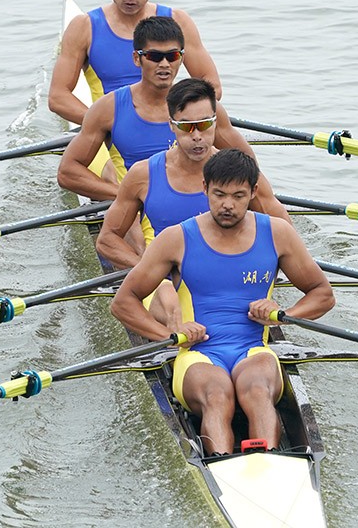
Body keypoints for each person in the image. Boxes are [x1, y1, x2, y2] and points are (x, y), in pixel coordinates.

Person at [110, 149, 335, 455]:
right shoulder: (176, 238)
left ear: (254, 192)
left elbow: (323, 294)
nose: (227, 205)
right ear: (205, 189)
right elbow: (123, 303)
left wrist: (283, 315)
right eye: (219, 194)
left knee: (257, 391)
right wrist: (168, 336)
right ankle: (220, 461)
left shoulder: (278, 233)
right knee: (217, 395)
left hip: (254, 350)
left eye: (239, 196)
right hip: (197, 353)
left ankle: (267, 460)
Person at [56, 17, 275, 206]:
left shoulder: (205, 108)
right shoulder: (107, 108)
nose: (164, 64)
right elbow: (68, 172)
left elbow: (248, 164)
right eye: (154, 56)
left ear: (181, 57)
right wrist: (127, 194)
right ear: (136, 58)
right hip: (139, 208)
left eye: (172, 56)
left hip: (204, 202)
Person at [96, 77, 290, 270]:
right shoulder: (143, 174)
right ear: (171, 125)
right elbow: (107, 240)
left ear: (216, 122)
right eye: (186, 126)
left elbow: (286, 234)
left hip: (230, 277)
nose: (197, 136)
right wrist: (151, 271)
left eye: (204, 124)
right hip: (167, 285)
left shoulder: (241, 173)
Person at [49, 0, 221, 127]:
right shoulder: (84, 28)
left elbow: (212, 85)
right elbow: (57, 97)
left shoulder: (178, 22)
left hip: (167, 123)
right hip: (111, 128)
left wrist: (183, 118)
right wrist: (103, 122)